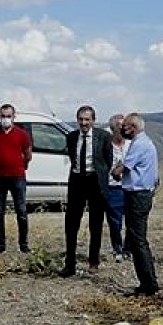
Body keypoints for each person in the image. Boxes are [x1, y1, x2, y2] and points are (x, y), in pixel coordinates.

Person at [110, 112, 159, 296]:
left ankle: (148, 284)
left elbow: (121, 170)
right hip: (141, 193)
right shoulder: (145, 142)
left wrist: (116, 170)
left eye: (126, 126)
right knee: (137, 239)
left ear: (134, 127)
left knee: (138, 241)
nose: (122, 129)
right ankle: (148, 282)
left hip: (137, 195)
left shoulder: (139, 145)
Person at [61, 105, 112, 277]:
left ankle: (93, 261)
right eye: (81, 119)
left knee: (95, 223)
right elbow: (71, 157)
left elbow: (108, 161)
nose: (84, 123)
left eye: (87, 119)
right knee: (71, 223)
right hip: (77, 180)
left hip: (95, 181)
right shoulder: (71, 137)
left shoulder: (104, 137)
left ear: (93, 121)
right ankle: (70, 263)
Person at [0, 103, 32, 254]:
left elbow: (28, 153)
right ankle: (0, 245)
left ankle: (23, 244)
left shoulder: (22, 134)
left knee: (21, 211)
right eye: (3, 116)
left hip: (17, 176)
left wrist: (21, 165)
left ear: (14, 116)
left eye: (8, 116)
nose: (5, 119)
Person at [104, 114, 129, 262]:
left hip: (130, 187)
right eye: (120, 127)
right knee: (115, 221)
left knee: (132, 221)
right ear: (113, 129)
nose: (124, 129)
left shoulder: (131, 145)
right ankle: (117, 248)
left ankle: (129, 248)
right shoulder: (107, 145)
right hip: (113, 187)